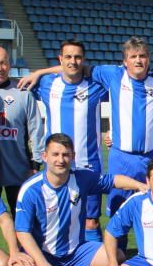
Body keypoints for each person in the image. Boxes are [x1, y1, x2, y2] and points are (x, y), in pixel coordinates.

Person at [11, 134, 146, 266]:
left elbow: (113, 180)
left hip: (76, 251)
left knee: (118, 258)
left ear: (73, 156)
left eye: (66, 155)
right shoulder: (31, 189)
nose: (60, 160)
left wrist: (141, 186)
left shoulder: (81, 178)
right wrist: (43, 265)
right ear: (45, 156)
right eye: (55, 154)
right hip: (43, 253)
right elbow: (22, 232)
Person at [29, 40, 110, 239]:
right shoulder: (47, 84)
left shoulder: (96, 86)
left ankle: (94, 265)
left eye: (77, 57)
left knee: (90, 220)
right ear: (60, 59)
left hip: (88, 165)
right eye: (68, 57)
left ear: (84, 60)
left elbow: (127, 79)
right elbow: (11, 85)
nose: (73, 61)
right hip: (56, 165)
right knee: (55, 215)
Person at [0, 46, 44, 212]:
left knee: (23, 221)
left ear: (10, 65)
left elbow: (36, 130)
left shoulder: (24, 93)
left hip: (20, 172)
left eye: (3, 63)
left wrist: (35, 165)